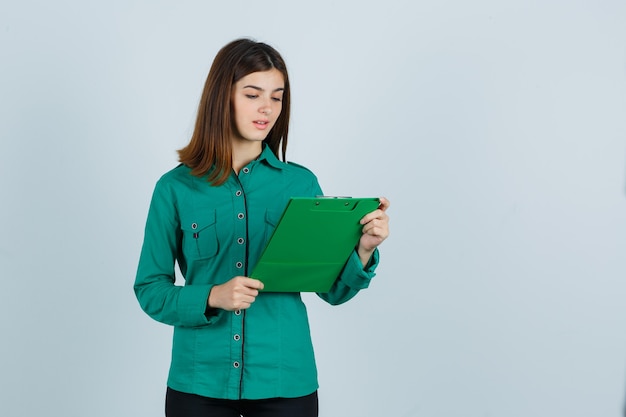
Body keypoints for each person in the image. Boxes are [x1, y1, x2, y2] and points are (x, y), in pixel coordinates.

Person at [134, 38, 390, 417]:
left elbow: (333, 291)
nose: (267, 108)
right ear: (223, 98)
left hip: (285, 382)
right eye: (253, 94)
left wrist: (364, 247)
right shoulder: (175, 188)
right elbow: (150, 290)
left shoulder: (300, 185)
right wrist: (211, 297)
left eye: (277, 96)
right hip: (198, 382)